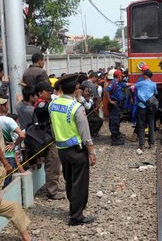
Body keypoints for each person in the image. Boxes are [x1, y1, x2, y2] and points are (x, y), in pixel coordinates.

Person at [49, 73, 97, 226]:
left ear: (61, 88)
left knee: (69, 180)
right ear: (76, 88)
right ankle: (77, 216)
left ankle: (73, 209)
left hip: (62, 149)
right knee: (80, 183)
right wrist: (92, 152)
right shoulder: (76, 107)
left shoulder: (53, 105)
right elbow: (85, 133)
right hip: (77, 150)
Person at [34, 81, 65, 200]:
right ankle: (52, 191)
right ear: (40, 93)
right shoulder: (42, 105)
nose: (50, 93)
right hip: (48, 138)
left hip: (50, 136)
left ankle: (54, 186)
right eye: (48, 91)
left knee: (55, 163)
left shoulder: (46, 103)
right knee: (52, 163)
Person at [133, 70, 157, 152]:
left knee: (141, 125)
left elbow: (132, 88)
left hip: (142, 106)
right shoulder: (154, 84)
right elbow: (155, 93)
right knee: (151, 124)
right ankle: (151, 143)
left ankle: (142, 145)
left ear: (145, 75)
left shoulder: (141, 83)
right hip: (151, 107)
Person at [105, 69, 126, 146]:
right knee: (115, 120)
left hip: (116, 104)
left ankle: (116, 134)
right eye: (121, 76)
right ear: (119, 76)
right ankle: (114, 139)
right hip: (113, 104)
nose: (122, 78)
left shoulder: (118, 83)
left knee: (116, 119)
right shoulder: (113, 83)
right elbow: (106, 91)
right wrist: (110, 100)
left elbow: (126, 84)